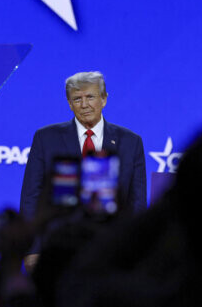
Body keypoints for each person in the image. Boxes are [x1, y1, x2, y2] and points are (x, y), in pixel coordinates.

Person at [20, 71, 146, 220]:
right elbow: (31, 197)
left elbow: (137, 202)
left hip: (111, 238)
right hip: (60, 236)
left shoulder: (130, 142)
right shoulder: (46, 139)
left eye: (90, 97)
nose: (84, 105)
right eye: (77, 99)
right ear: (70, 103)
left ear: (104, 99)